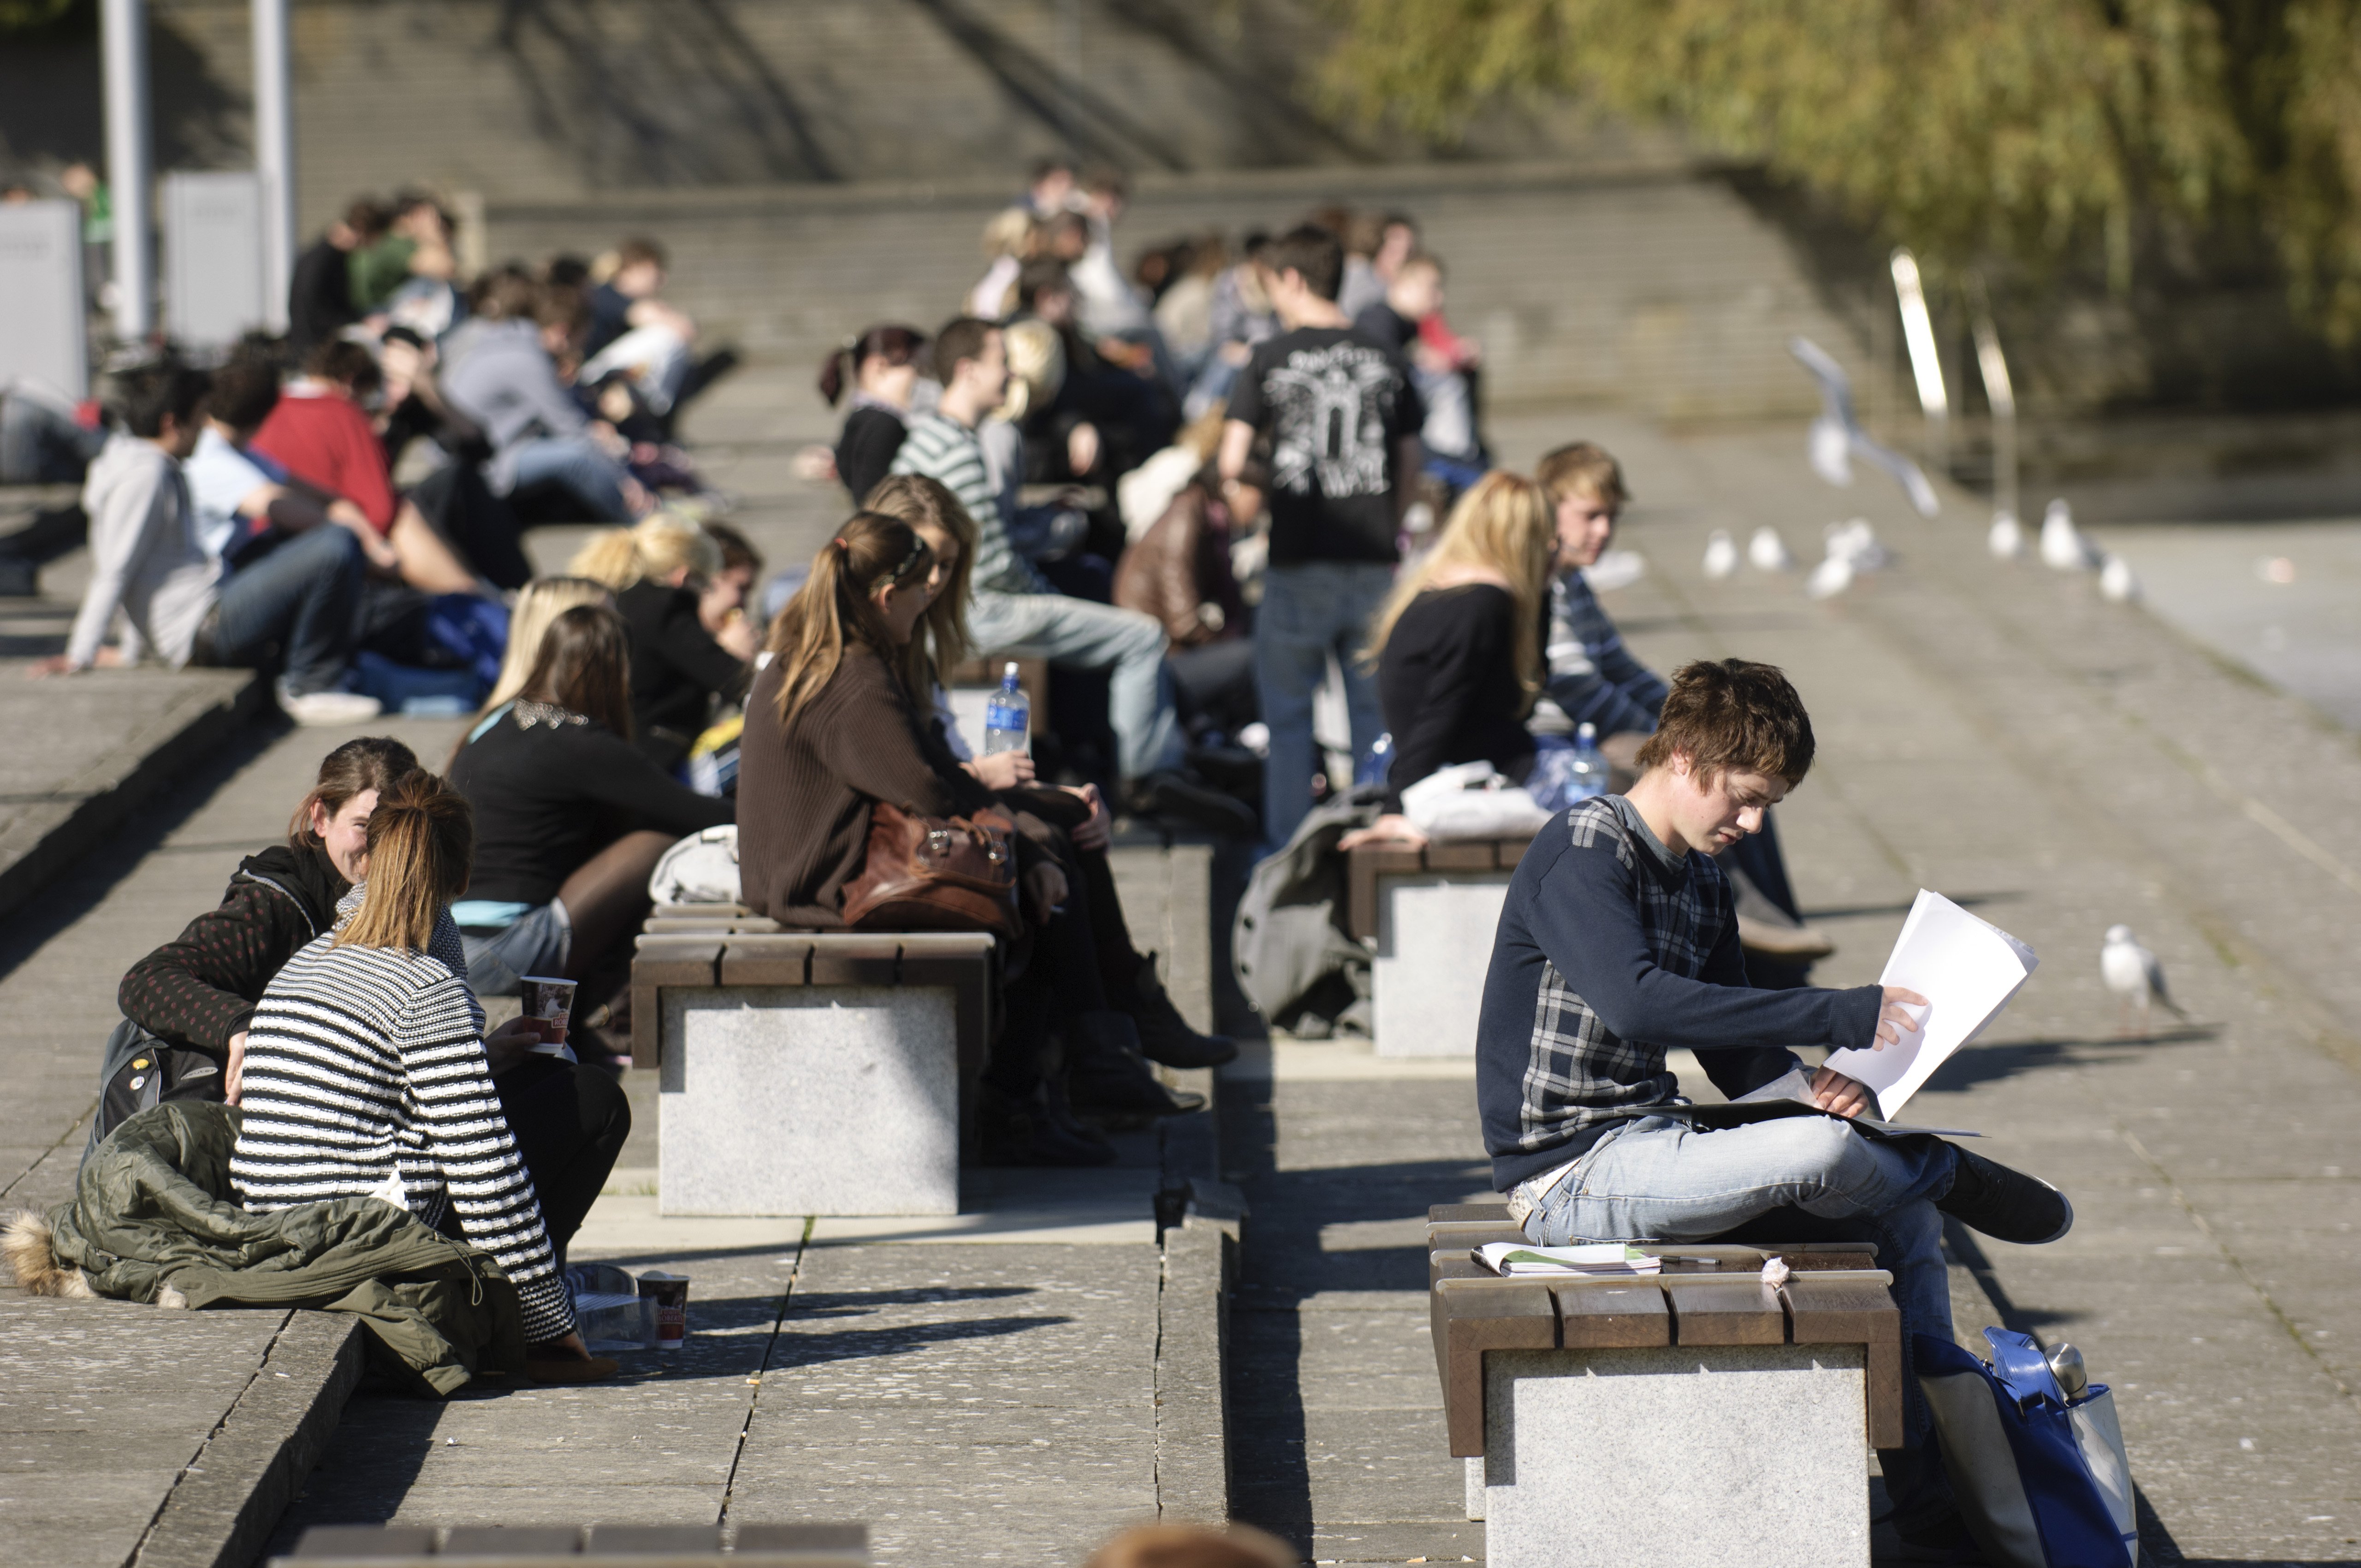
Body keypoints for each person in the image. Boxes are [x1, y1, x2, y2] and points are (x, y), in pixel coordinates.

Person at [1475, 657, 2072, 1559]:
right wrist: (1832, 1009)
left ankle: (1930, 1505)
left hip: (1653, 1139)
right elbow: (1638, 1001)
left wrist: (1813, 1088)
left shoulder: (1703, 879)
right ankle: (1947, 1166)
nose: (1751, 824)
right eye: (1745, 798)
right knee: (1833, 1162)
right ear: (1683, 756)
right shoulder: (1584, 849)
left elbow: (1731, 1052)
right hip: (1566, 1178)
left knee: (1894, 1206)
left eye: (1769, 807)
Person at [736, 513, 1193, 1160]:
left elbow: (934, 779)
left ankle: (1088, 1058)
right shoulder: (854, 679)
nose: (930, 605)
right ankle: (1029, 1098)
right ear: (886, 597)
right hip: (823, 884)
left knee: (1043, 841)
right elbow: (931, 793)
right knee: (1016, 890)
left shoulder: (827, 656)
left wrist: (1041, 818)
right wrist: (1031, 848)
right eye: (924, 591)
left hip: (817, 868)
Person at [230, 769, 620, 1375]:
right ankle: (505, 1323)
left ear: (371, 859)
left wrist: (484, 1056)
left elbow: (373, 1085)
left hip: (277, 1228)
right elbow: (481, 1165)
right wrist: (543, 1327)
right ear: (461, 877)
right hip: (367, 1243)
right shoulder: (423, 987)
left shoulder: (304, 966)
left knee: (533, 1086)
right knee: (593, 1098)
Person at [866, 473, 1235, 1068]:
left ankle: (1111, 1039)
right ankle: (1106, 1045)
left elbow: (942, 757)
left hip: (917, 816)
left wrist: (1045, 794)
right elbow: (913, 779)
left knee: (1064, 818)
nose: (935, 581)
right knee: (1045, 844)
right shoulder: (872, 652)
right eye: (925, 564)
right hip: (880, 847)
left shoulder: (914, 639)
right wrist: (1012, 800)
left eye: (948, 565)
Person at [892, 318, 1245, 832]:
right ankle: (1147, 776)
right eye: (1000, 361)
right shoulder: (961, 450)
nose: (1010, 372)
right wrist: (1050, 595)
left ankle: (1157, 761)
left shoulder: (929, 438)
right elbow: (993, 566)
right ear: (967, 371)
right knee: (1142, 636)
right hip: (978, 611)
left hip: (953, 606)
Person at [1533, 442, 1832, 965]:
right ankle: (1744, 914)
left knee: (1749, 780)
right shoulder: (1541, 584)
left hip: (1596, 729)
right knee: (1707, 783)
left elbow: (1620, 667)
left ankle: (1775, 919)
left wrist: (1691, 718)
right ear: (1547, 509)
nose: (1602, 531)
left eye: (1611, 517)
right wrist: (1665, 738)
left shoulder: (1573, 581)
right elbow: (1576, 686)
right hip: (1557, 740)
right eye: (1590, 515)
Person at [88, 736, 418, 1158]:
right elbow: (147, 979)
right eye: (363, 826)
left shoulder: (403, 902)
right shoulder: (276, 903)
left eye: (398, 829)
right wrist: (241, 1026)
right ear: (320, 817)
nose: (381, 845)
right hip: (217, 1146)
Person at [1217, 224, 1424, 850]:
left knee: (1288, 720)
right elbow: (1411, 463)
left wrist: (1278, 481)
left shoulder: (1268, 357)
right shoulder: (1386, 355)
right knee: (1373, 717)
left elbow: (1231, 463)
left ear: (1291, 279)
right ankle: (1373, 841)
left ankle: (1288, 851)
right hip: (1370, 562)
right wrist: (1388, 524)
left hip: (1298, 561)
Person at [448, 604, 734, 1053]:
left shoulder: (496, 721)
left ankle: (564, 1037)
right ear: (613, 669)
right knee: (652, 846)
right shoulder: (576, 738)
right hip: (503, 949)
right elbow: (694, 812)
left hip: (453, 940)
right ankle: (588, 1025)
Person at [31, 362, 379, 727]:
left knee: (297, 540)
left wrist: (132, 650)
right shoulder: (146, 476)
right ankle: (311, 684)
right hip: (202, 627)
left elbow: (144, 566)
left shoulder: (141, 462)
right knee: (336, 542)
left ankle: (316, 669)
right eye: (199, 419)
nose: (205, 430)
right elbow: (116, 569)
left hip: (205, 613)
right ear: (171, 423)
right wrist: (80, 654)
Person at [1340, 472, 1555, 847]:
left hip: (1461, 764)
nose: (1555, 544)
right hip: (1462, 775)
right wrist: (1395, 808)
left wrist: (1541, 594)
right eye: (1545, 533)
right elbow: (1440, 712)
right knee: (1616, 788)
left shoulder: (1440, 583)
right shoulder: (1482, 606)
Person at [251, 341, 485, 595]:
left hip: (262, 553)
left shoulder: (270, 409)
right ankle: (481, 605)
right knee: (405, 509)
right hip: (328, 552)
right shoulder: (342, 411)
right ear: (351, 382)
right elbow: (381, 510)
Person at [440, 271, 649, 524]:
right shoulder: (526, 357)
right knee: (577, 456)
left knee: (585, 449)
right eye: (579, 342)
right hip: (486, 465)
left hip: (484, 450)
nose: (578, 351)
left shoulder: (509, 339)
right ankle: (641, 521)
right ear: (563, 333)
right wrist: (624, 480)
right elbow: (570, 429)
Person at [569, 515, 756, 772]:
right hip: (654, 764)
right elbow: (742, 685)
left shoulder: (624, 600)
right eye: (704, 586)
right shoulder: (665, 609)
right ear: (685, 577)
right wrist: (732, 654)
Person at [578, 237, 698, 419]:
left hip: (607, 372)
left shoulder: (623, 298)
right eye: (656, 272)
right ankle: (648, 404)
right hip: (589, 377)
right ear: (636, 267)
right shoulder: (607, 293)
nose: (662, 280)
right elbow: (684, 329)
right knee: (666, 336)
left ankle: (646, 406)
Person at [819, 324, 927, 505]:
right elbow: (871, 497)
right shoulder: (885, 424)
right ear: (880, 366)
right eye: (920, 369)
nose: (921, 380)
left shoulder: (863, 418)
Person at [288, 198, 388, 356]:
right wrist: (360, 324)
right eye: (373, 240)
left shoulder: (337, 257)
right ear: (361, 229)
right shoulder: (318, 262)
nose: (372, 247)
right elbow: (314, 312)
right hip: (314, 354)